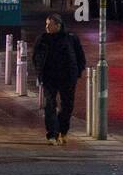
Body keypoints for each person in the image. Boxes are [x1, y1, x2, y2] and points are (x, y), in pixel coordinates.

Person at [32, 14, 86, 145]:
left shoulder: (70, 38)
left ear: (58, 25)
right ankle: (52, 134)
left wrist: (77, 72)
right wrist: (40, 72)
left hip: (67, 77)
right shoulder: (43, 39)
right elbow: (35, 57)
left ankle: (63, 131)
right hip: (49, 77)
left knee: (67, 106)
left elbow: (80, 57)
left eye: (49, 25)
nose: (46, 27)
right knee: (50, 104)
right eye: (46, 24)